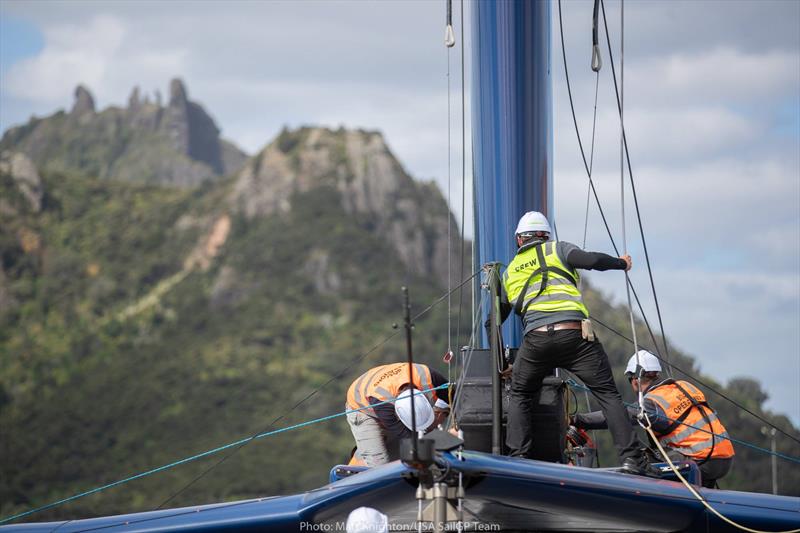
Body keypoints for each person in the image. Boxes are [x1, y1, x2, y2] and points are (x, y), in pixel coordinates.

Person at [498, 211, 655, 476]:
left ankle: (519, 458)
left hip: (536, 340)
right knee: (607, 395)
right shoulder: (557, 249)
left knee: (520, 394)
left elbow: (496, 316)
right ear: (545, 236)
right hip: (575, 336)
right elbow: (592, 260)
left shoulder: (510, 271)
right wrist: (620, 263)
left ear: (518, 241)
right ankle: (632, 460)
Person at [573, 350, 735, 488]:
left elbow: (619, 416)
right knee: (655, 454)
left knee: (640, 463)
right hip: (725, 458)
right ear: (656, 374)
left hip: (701, 462)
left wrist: (578, 420)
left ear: (634, 380)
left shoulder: (653, 402)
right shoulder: (684, 386)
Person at [346, 362, 450, 467]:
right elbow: (406, 436)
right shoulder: (383, 404)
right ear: (398, 414)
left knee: (416, 443)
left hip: (384, 384)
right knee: (379, 462)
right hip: (361, 407)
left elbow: (454, 396)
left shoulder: (428, 376)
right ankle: (353, 469)